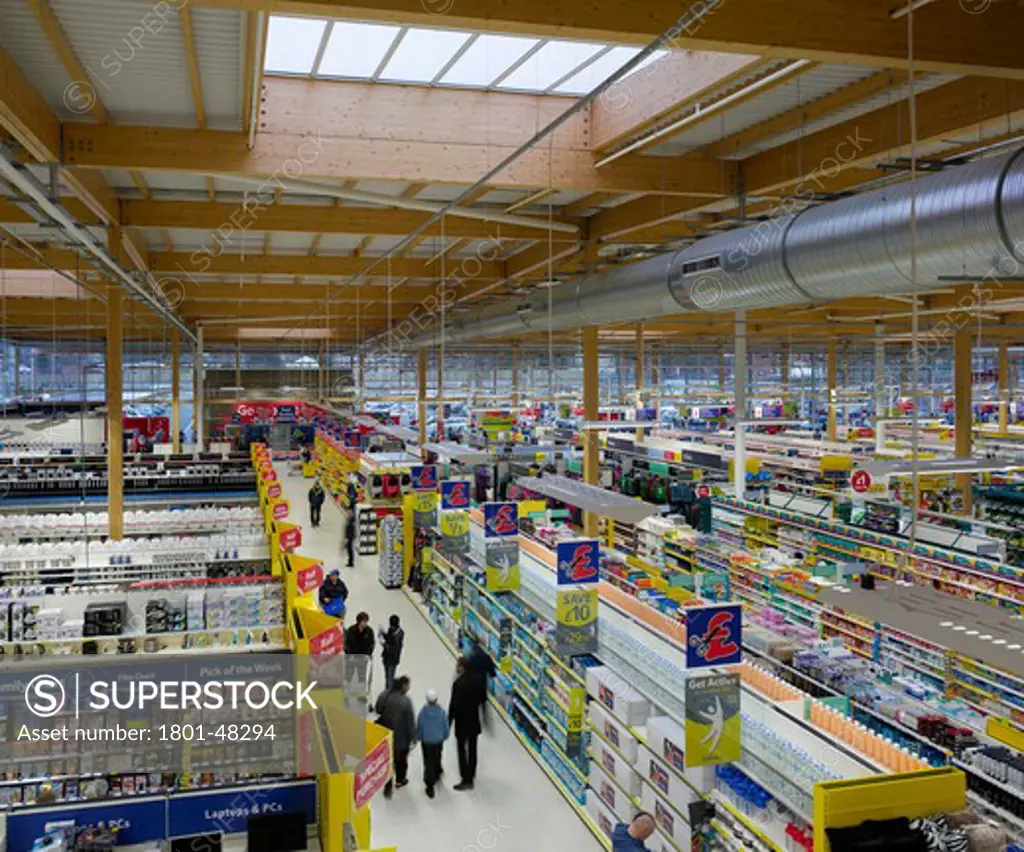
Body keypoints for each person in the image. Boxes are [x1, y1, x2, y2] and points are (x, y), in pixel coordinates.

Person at [375, 675, 416, 797]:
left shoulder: (384, 695)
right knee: (401, 761)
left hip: (386, 734)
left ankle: (387, 783)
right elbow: (410, 721)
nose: (409, 688)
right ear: (403, 686)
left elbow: (377, 709)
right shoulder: (405, 701)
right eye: (408, 685)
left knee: (388, 760)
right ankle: (400, 780)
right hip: (401, 737)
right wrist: (414, 737)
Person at [448, 656, 483, 791]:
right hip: (473, 720)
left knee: (462, 750)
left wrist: (449, 722)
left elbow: (454, 705)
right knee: (473, 749)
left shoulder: (458, 684)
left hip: (461, 722)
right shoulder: (478, 680)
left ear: (462, 667)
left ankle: (465, 778)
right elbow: (481, 699)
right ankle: (471, 774)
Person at [416, 688, 449, 799]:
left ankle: (430, 785)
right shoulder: (441, 712)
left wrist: (419, 737)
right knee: (438, 755)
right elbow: (445, 725)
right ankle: (438, 770)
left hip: (427, 742)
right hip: (438, 740)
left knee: (428, 761)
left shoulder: (423, 713)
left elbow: (419, 726)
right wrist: (445, 735)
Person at [344, 612, 374, 692]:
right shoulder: (351, 630)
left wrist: (368, 654)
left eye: (366, 621)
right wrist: (349, 654)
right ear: (359, 621)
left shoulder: (369, 631)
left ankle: (361, 694)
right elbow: (346, 644)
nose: (365, 624)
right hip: (352, 658)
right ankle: (347, 692)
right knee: (349, 676)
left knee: (362, 677)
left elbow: (371, 644)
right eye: (363, 621)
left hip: (363, 658)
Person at [380, 614, 404, 691]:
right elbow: (389, 638)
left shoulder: (399, 634)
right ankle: (387, 690)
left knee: (390, 678)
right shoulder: (391, 630)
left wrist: (384, 644)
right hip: (387, 658)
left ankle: (389, 694)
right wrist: (383, 634)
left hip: (392, 659)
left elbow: (394, 649)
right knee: (387, 677)